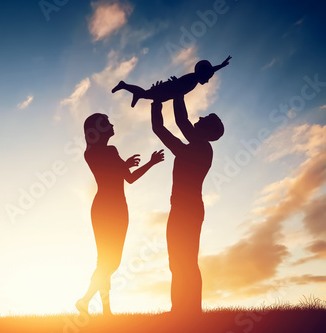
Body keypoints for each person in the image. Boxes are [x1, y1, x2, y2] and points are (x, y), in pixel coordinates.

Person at [76, 113, 164, 315]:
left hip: (119, 208)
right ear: (97, 130)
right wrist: (125, 165)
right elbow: (112, 172)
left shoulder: (111, 151)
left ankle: (93, 305)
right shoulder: (91, 153)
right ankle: (94, 305)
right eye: (107, 123)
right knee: (108, 261)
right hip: (105, 208)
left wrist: (151, 162)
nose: (112, 124)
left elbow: (129, 178)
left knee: (110, 262)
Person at [150, 94, 224, 316]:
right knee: (178, 261)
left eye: (204, 118)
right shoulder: (197, 145)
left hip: (187, 210)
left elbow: (166, 128)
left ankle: (191, 311)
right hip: (183, 208)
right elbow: (177, 123)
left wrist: (173, 95)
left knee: (186, 261)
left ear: (207, 131)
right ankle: (181, 310)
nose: (199, 117)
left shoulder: (200, 149)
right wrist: (169, 97)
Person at [112, 56, 231, 108]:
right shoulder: (194, 77)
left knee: (148, 96)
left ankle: (134, 92)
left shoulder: (193, 79)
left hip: (169, 92)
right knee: (147, 94)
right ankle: (125, 86)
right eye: (208, 77)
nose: (208, 81)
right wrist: (220, 66)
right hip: (168, 89)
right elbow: (179, 85)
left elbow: (180, 88)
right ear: (204, 73)